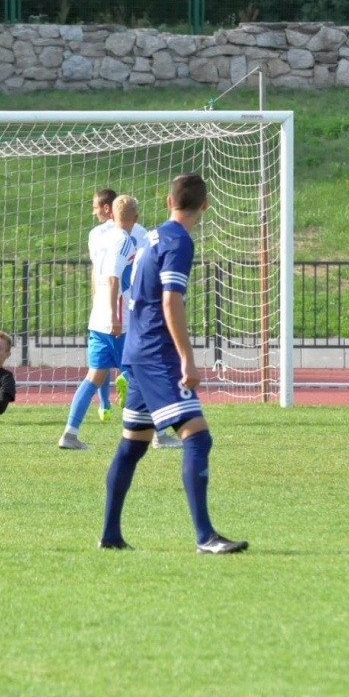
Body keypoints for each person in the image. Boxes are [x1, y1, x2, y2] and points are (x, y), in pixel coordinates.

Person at [99, 173, 247, 555]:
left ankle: (110, 535)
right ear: (205, 205)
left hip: (137, 349)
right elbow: (170, 300)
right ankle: (205, 537)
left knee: (133, 444)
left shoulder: (152, 237)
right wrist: (187, 359)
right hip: (156, 354)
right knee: (197, 437)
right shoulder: (179, 241)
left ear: (168, 202)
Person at [59, 193, 172, 450]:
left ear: (111, 213)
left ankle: (69, 433)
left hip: (98, 320)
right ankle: (160, 434)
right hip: (119, 323)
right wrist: (114, 316)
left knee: (93, 377)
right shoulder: (124, 241)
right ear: (136, 217)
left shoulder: (101, 237)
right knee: (146, 375)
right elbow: (113, 279)